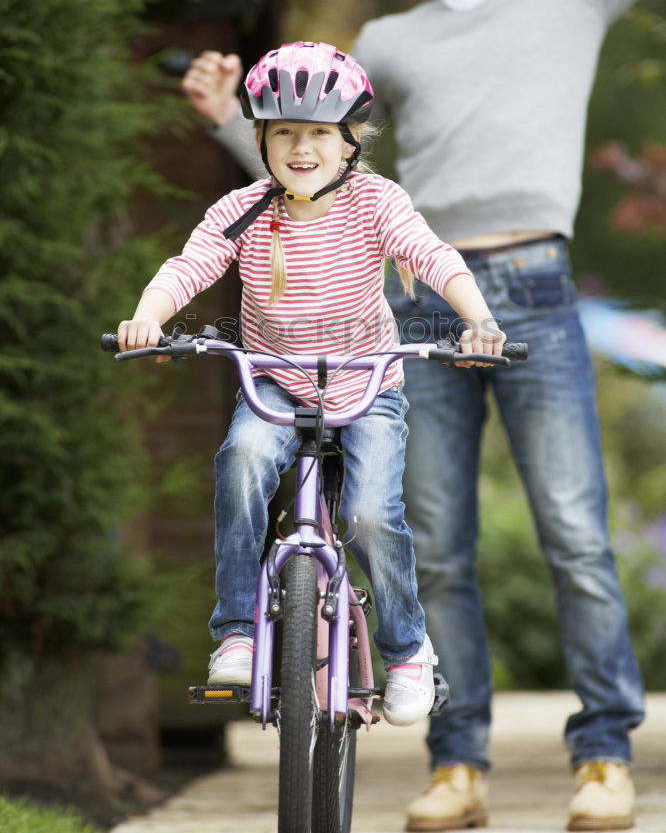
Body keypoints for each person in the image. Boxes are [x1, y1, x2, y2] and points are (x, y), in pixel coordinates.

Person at [180, 0, 666, 827]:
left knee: (574, 534)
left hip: (531, 290)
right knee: (431, 541)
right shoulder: (392, 38)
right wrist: (233, 118)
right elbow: (320, 160)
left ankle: (604, 755)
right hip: (414, 305)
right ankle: (458, 763)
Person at [118, 41, 507, 729]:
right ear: (260, 138)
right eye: (284, 132)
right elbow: (189, 266)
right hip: (273, 385)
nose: (302, 148)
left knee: (367, 514)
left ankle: (408, 651)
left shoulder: (375, 204)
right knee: (241, 465)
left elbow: (433, 256)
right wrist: (148, 318)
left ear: (351, 141)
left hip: (366, 387)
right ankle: (237, 631)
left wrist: (478, 319)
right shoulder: (241, 210)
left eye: (320, 133)